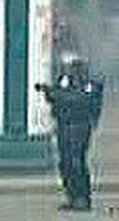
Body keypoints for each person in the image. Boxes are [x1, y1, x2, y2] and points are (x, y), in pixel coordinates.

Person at [36, 54, 105, 211]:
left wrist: (56, 95)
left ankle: (82, 198)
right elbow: (57, 98)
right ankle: (72, 196)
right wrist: (50, 92)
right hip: (64, 125)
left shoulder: (90, 83)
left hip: (80, 126)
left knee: (76, 161)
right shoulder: (64, 81)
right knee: (65, 163)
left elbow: (81, 100)